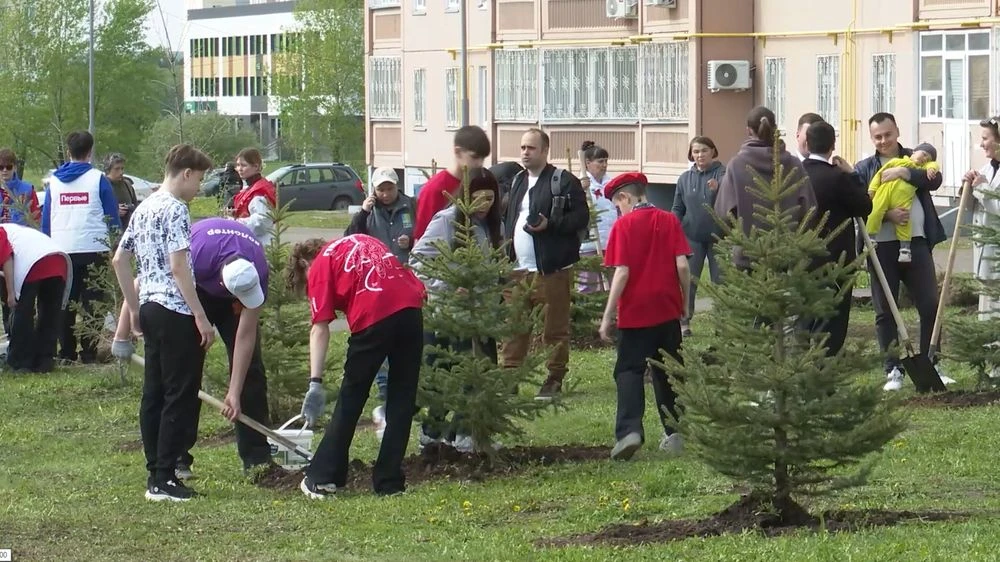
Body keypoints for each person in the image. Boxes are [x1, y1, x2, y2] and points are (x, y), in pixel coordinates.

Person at [111, 217, 273, 479]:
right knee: (184, 370)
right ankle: (177, 457)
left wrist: (234, 392)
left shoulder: (257, 272)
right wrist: (121, 335)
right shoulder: (193, 255)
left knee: (252, 369)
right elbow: (143, 280)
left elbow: (246, 335)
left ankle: (256, 457)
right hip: (193, 290)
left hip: (225, 280)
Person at [111, 144, 216, 502]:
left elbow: (120, 260)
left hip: (151, 307)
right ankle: (164, 477)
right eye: (199, 179)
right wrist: (200, 314)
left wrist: (134, 306)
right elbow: (178, 266)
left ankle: (155, 470)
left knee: (154, 391)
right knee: (179, 393)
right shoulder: (175, 209)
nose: (199, 187)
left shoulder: (143, 207)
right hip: (175, 310)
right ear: (186, 173)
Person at [292, 234, 425, 498]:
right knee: (402, 397)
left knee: (352, 396)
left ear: (305, 264)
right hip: (411, 307)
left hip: (374, 314)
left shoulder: (320, 263)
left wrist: (315, 383)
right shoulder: (361, 240)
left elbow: (319, 329)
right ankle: (389, 482)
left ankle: (322, 477)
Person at [854, 112, 951, 391]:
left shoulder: (915, 158)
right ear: (872, 138)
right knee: (885, 308)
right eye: (878, 137)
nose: (884, 141)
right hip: (881, 247)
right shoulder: (865, 168)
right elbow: (860, 204)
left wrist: (904, 172)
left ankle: (933, 363)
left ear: (897, 131)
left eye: (888, 134)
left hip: (917, 242)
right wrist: (887, 217)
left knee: (930, 304)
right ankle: (893, 370)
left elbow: (933, 180)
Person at [597, 172, 691, 461]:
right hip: (667, 310)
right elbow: (683, 267)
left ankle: (629, 432)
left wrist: (607, 315)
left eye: (617, 204)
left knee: (628, 370)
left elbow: (622, 272)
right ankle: (675, 433)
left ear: (625, 198)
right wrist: (684, 303)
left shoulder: (623, 226)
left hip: (635, 314)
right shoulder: (669, 220)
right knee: (668, 371)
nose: (618, 210)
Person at [409, 169, 502, 452]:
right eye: (479, 197)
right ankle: (432, 434)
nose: (485, 203)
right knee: (444, 375)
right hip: (446, 316)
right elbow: (417, 261)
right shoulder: (446, 221)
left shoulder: (488, 226)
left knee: (477, 374)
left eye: (490, 197)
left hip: (478, 315)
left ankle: (466, 434)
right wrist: (448, 285)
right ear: (466, 196)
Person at [501, 128, 590, 400]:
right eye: (523, 148)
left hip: (551, 270)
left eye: (531, 148)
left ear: (544, 150)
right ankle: (509, 378)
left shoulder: (563, 181)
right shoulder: (517, 180)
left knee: (554, 328)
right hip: (517, 270)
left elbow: (580, 219)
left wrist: (551, 225)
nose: (525, 152)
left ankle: (554, 377)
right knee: (513, 326)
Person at [345, 166, 416, 428]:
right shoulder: (368, 211)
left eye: (389, 188)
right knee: (383, 338)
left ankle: (406, 393)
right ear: (373, 190)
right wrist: (363, 211)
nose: (385, 193)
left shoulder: (412, 206)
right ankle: (386, 394)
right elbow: (350, 239)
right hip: (377, 280)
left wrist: (412, 241)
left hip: (408, 276)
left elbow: (427, 234)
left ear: (397, 186)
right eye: (380, 189)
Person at [42, 131, 122, 364]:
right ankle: (88, 352)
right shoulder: (98, 179)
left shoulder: (54, 182)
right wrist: (115, 242)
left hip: (62, 249)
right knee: (93, 301)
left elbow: (47, 219)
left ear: (69, 151)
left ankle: (66, 351)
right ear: (90, 152)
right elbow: (112, 216)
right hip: (93, 247)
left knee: (65, 301)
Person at [801, 121, 873, 356]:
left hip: (800, 257)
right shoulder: (837, 177)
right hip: (836, 260)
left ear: (807, 143)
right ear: (833, 144)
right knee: (833, 317)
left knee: (804, 314)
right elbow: (864, 206)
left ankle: (798, 363)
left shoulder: (794, 175)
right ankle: (825, 368)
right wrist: (852, 175)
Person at [715, 106, 817, 269]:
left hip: (748, 254)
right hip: (787, 254)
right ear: (775, 128)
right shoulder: (793, 164)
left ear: (748, 130)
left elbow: (724, 213)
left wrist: (740, 235)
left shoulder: (736, 165)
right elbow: (809, 208)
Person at [0, 223, 71, 373]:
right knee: (50, 314)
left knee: (22, 312)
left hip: (33, 262)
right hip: (58, 261)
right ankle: (44, 360)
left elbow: (6, 259)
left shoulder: (1, 231)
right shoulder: (14, 229)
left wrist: (11, 293)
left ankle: (21, 362)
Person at [672, 136, 725, 336]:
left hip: (719, 237)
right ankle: (684, 322)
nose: (700, 155)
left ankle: (722, 325)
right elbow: (678, 207)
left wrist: (717, 191)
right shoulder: (685, 178)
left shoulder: (723, 174)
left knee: (719, 282)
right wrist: (673, 225)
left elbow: (729, 204)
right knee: (688, 280)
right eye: (695, 152)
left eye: (704, 150)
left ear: (713, 151)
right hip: (691, 236)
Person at [413, 126, 492, 241]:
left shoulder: (480, 183)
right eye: (474, 157)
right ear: (458, 152)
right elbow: (422, 239)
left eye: (483, 158)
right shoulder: (434, 189)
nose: (480, 163)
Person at [866, 143, 940, 264]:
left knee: (904, 221)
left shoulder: (921, 169)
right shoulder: (894, 162)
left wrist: (931, 168)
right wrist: (872, 190)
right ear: (914, 152)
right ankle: (870, 239)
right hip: (883, 195)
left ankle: (905, 249)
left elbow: (935, 171)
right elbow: (879, 175)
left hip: (903, 201)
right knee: (875, 211)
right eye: (924, 154)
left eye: (928, 158)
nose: (925, 158)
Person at [964, 117, 1000, 324]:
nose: (981, 144)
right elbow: (972, 208)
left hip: (996, 257)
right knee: (986, 313)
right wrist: (968, 187)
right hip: (984, 255)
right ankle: (986, 351)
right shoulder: (987, 169)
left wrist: (984, 188)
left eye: (985, 138)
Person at [577, 140, 617, 294]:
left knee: (612, 282)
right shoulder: (580, 183)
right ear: (588, 163)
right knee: (589, 282)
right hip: (590, 243)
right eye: (600, 161)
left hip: (610, 241)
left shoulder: (611, 183)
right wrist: (580, 190)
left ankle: (610, 314)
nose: (604, 165)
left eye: (606, 161)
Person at [229, 148, 277, 246]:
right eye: (238, 165)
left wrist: (235, 223)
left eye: (244, 165)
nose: (239, 169)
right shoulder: (251, 187)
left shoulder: (259, 191)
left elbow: (262, 221)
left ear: (255, 166)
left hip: (260, 243)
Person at [0, 148, 40, 227]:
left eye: (8, 167)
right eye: (1, 167)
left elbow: (37, 219)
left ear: (15, 167)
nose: (4, 170)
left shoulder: (27, 190)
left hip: (21, 236)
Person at [103, 153, 139, 229]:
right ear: (108, 169)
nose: (121, 172)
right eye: (117, 169)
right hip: (109, 231)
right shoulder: (102, 186)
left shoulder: (127, 185)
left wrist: (129, 208)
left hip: (128, 230)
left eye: (122, 168)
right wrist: (114, 211)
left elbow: (137, 208)